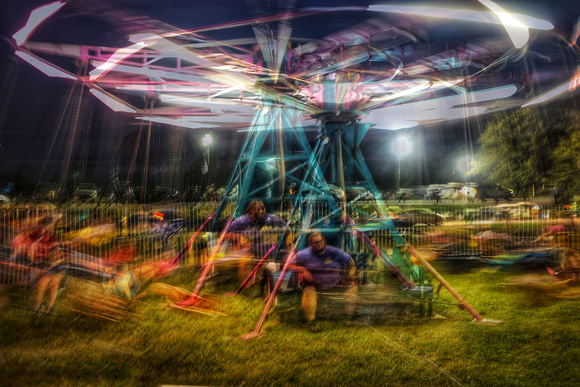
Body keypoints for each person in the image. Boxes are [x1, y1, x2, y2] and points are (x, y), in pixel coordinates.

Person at [288, 232, 357, 331]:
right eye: (315, 243)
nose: (318, 244)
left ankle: (347, 318)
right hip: (314, 286)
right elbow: (289, 265)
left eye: (320, 241)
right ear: (311, 244)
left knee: (353, 287)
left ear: (324, 241)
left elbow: (351, 262)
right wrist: (303, 270)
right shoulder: (304, 254)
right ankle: (311, 323)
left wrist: (351, 275)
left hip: (336, 284)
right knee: (308, 293)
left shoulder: (334, 251)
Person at [223, 199, 287, 286]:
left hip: (267, 253)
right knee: (245, 261)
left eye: (262, 209)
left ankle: (264, 283)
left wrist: (287, 241)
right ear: (250, 210)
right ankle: (247, 286)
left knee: (268, 270)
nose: (261, 211)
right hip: (249, 253)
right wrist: (239, 237)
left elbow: (287, 228)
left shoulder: (271, 218)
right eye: (257, 209)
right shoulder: (242, 221)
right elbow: (226, 233)